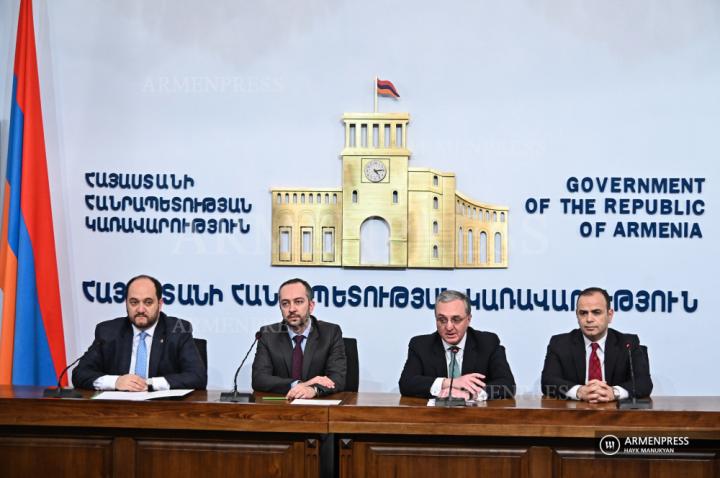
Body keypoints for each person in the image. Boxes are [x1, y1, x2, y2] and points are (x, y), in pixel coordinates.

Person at [72, 274, 207, 391]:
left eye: (148, 302)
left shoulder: (178, 330)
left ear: (160, 304)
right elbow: (80, 374)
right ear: (126, 303)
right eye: (134, 302)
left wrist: (150, 384)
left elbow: (197, 377)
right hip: (117, 412)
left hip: (163, 411)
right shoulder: (108, 331)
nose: (140, 309)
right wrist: (115, 382)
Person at [399, 290, 515, 400]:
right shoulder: (420, 345)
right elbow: (406, 383)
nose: (449, 327)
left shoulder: (488, 343)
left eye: (456, 319)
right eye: (442, 320)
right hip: (434, 417)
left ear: (469, 319)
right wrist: (450, 383)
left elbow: (508, 386)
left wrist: (470, 394)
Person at [541, 287, 652, 402]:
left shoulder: (628, 343)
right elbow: (548, 382)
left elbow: (644, 383)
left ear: (610, 315)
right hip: (574, 415)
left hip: (617, 416)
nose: (589, 319)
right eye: (583, 313)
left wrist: (614, 392)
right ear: (577, 316)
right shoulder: (560, 344)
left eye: (596, 312)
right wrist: (579, 391)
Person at [252, 278, 346, 399]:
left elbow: (338, 378)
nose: (291, 309)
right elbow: (259, 379)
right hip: (281, 408)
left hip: (318, 410)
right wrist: (302, 385)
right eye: (285, 303)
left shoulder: (330, 333)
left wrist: (313, 390)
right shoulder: (268, 334)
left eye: (298, 302)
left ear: (311, 306)